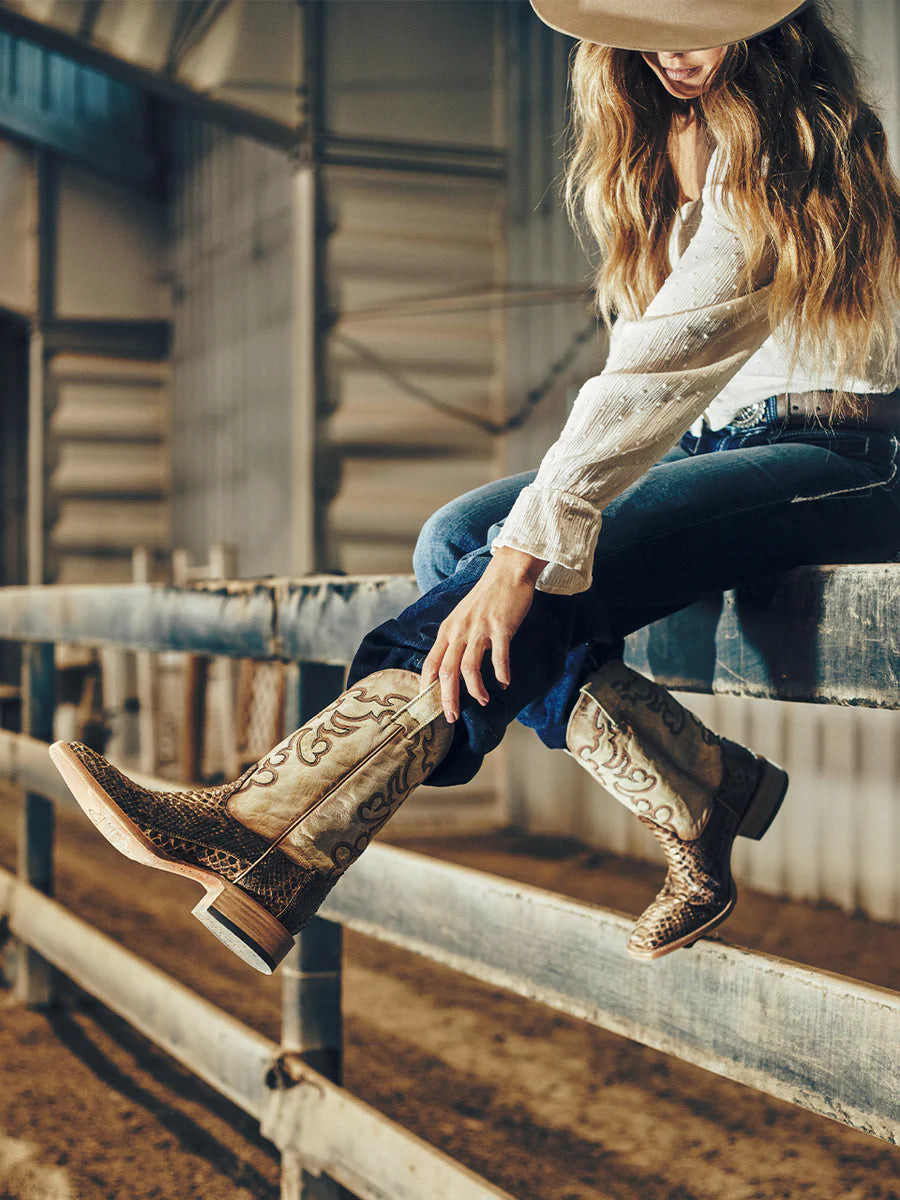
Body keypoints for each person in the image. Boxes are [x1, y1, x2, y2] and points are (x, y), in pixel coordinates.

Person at [50, 0, 900, 974]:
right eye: (651, 23)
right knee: (456, 536)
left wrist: (528, 555)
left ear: (764, 25)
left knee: (513, 567)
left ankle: (272, 820)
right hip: (712, 452)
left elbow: (654, 371)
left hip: (840, 458)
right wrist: (513, 550)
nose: (671, 49)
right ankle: (696, 787)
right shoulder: (673, 141)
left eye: (699, 21)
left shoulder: (792, 146)